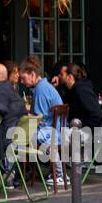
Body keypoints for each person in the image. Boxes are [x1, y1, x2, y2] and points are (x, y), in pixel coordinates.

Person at [18, 58, 64, 186]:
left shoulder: (40, 90)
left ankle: (17, 174)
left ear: (32, 74)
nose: (22, 81)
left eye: (23, 78)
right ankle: (33, 171)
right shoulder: (45, 86)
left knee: (19, 137)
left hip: (51, 133)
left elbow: (39, 119)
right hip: (58, 129)